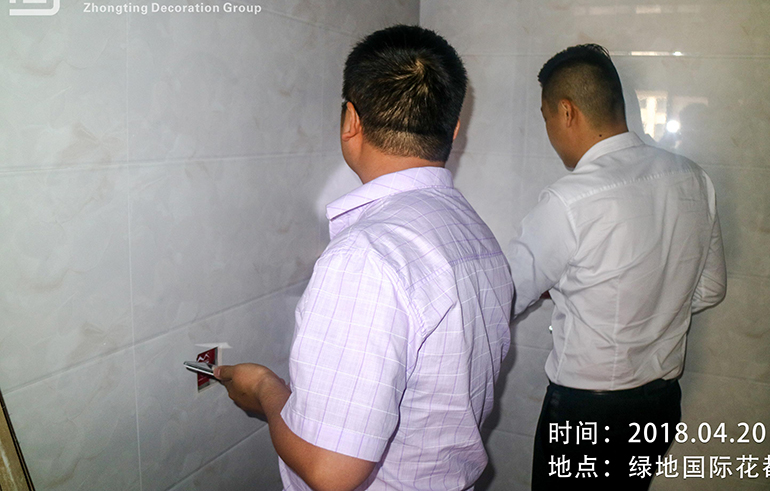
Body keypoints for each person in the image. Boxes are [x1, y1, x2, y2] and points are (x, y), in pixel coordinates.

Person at [215, 25, 514, 491]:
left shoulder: (368, 255)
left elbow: (332, 471)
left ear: (350, 121)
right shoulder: (474, 233)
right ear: (454, 130)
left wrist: (264, 389)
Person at [507, 44, 726, 489]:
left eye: (547, 117)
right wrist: (655, 300)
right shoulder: (692, 178)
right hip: (659, 406)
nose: (549, 131)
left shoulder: (570, 199)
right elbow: (710, 288)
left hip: (587, 414)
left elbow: (506, 294)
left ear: (567, 112)